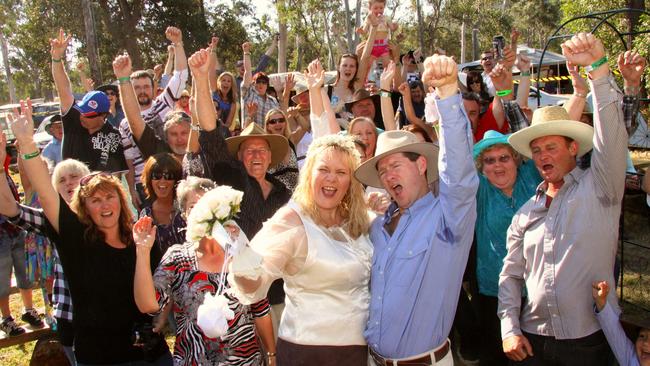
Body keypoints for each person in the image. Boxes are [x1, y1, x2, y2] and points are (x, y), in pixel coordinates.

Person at [498, 33, 633, 365]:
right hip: (532, 343)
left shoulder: (601, 188)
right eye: (537, 150)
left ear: (574, 147)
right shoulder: (526, 213)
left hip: (589, 342)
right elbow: (511, 276)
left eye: (552, 147)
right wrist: (509, 328)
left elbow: (612, 137)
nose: (543, 156)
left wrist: (598, 72)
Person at [8, 101, 172, 365]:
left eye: (110, 197)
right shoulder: (75, 238)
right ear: (84, 208)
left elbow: (153, 302)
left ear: (121, 201)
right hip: (100, 357)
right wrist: (27, 144)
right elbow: (47, 194)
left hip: (150, 355)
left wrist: (142, 251)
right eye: (95, 200)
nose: (105, 204)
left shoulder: (142, 238)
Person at [355, 54, 478, 365]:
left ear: (422, 165)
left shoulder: (448, 218)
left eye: (395, 166)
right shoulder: (378, 227)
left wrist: (449, 94)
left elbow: (459, 172)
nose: (388, 176)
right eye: (382, 171)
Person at [229, 133, 372, 366]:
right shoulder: (291, 220)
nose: (331, 179)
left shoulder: (359, 220)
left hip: (358, 352)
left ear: (350, 181)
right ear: (309, 174)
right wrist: (242, 263)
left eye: (341, 172)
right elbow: (254, 279)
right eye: (323, 169)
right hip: (308, 352)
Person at [133, 186, 276, 366]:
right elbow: (148, 305)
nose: (204, 213)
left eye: (209, 205)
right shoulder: (177, 258)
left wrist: (271, 354)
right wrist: (143, 251)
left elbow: (260, 308)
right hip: (194, 360)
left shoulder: (238, 252)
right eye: (194, 206)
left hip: (245, 360)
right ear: (184, 215)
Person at [1, 157, 90, 365]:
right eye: (62, 179)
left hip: (109, 318)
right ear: (54, 188)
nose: (68, 183)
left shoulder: (106, 215)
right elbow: (10, 209)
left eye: (74, 177)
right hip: (71, 318)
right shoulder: (51, 220)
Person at [473, 129, 541, 365]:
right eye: (489, 161)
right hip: (495, 289)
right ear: (482, 167)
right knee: (498, 355)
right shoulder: (480, 190)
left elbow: (548, 139)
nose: (497, 166)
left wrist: (579, 94)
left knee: (533, 355)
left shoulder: (531, 177)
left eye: (504, 158)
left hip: (536, 288)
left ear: (517, 159)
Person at [50, 30, 127, 173]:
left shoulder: (113, 135)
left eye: (90, 115)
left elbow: (115, 175)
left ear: (104, 115)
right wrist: (56, 58)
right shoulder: (73, 118)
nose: (83, 117)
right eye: (82, 111)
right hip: (68, 193)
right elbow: (63, 88)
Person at [0, 134, 42, 338]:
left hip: (15, 228)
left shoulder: (3, 165)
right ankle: (6, 318)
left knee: (24, 272)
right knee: (2, 277)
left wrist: (22, 146)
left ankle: (28, 309)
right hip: (0, 233)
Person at [593, 281, 650, 366]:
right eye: (642, 336)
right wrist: (601, 302)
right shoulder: (632, 359)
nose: (646, 342)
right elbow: (614, 333)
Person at [139, 153, 184, 254]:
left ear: (176, 180)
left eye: (168, 176)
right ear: (150, 180)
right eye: (157, 176)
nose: (162, 181)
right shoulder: (146, 215)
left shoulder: (186, 208)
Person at [263, 108, 301, 192]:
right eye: (273, 121)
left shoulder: (291, 140)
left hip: (296, 196)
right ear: (268, 126)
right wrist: (250, 117)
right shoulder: (266, 146)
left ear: (285, 123)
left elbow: (305, 126)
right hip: (277, 198)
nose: (278, 123)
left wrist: (297, 115)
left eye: (281, 120)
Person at [357, 0, 398, 69]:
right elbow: (365, 31)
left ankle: (388, 78)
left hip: (384, 45)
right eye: (376, 8)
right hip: (372, 46)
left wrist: (395, 26)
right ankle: (367, 78)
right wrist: (361, 31)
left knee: (387, 65)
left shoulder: (386, 18)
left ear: (384, 7)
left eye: (381, 8)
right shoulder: (369, 18)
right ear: (370, 8)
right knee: (369, 65)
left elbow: (392, 28)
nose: (379, 10)